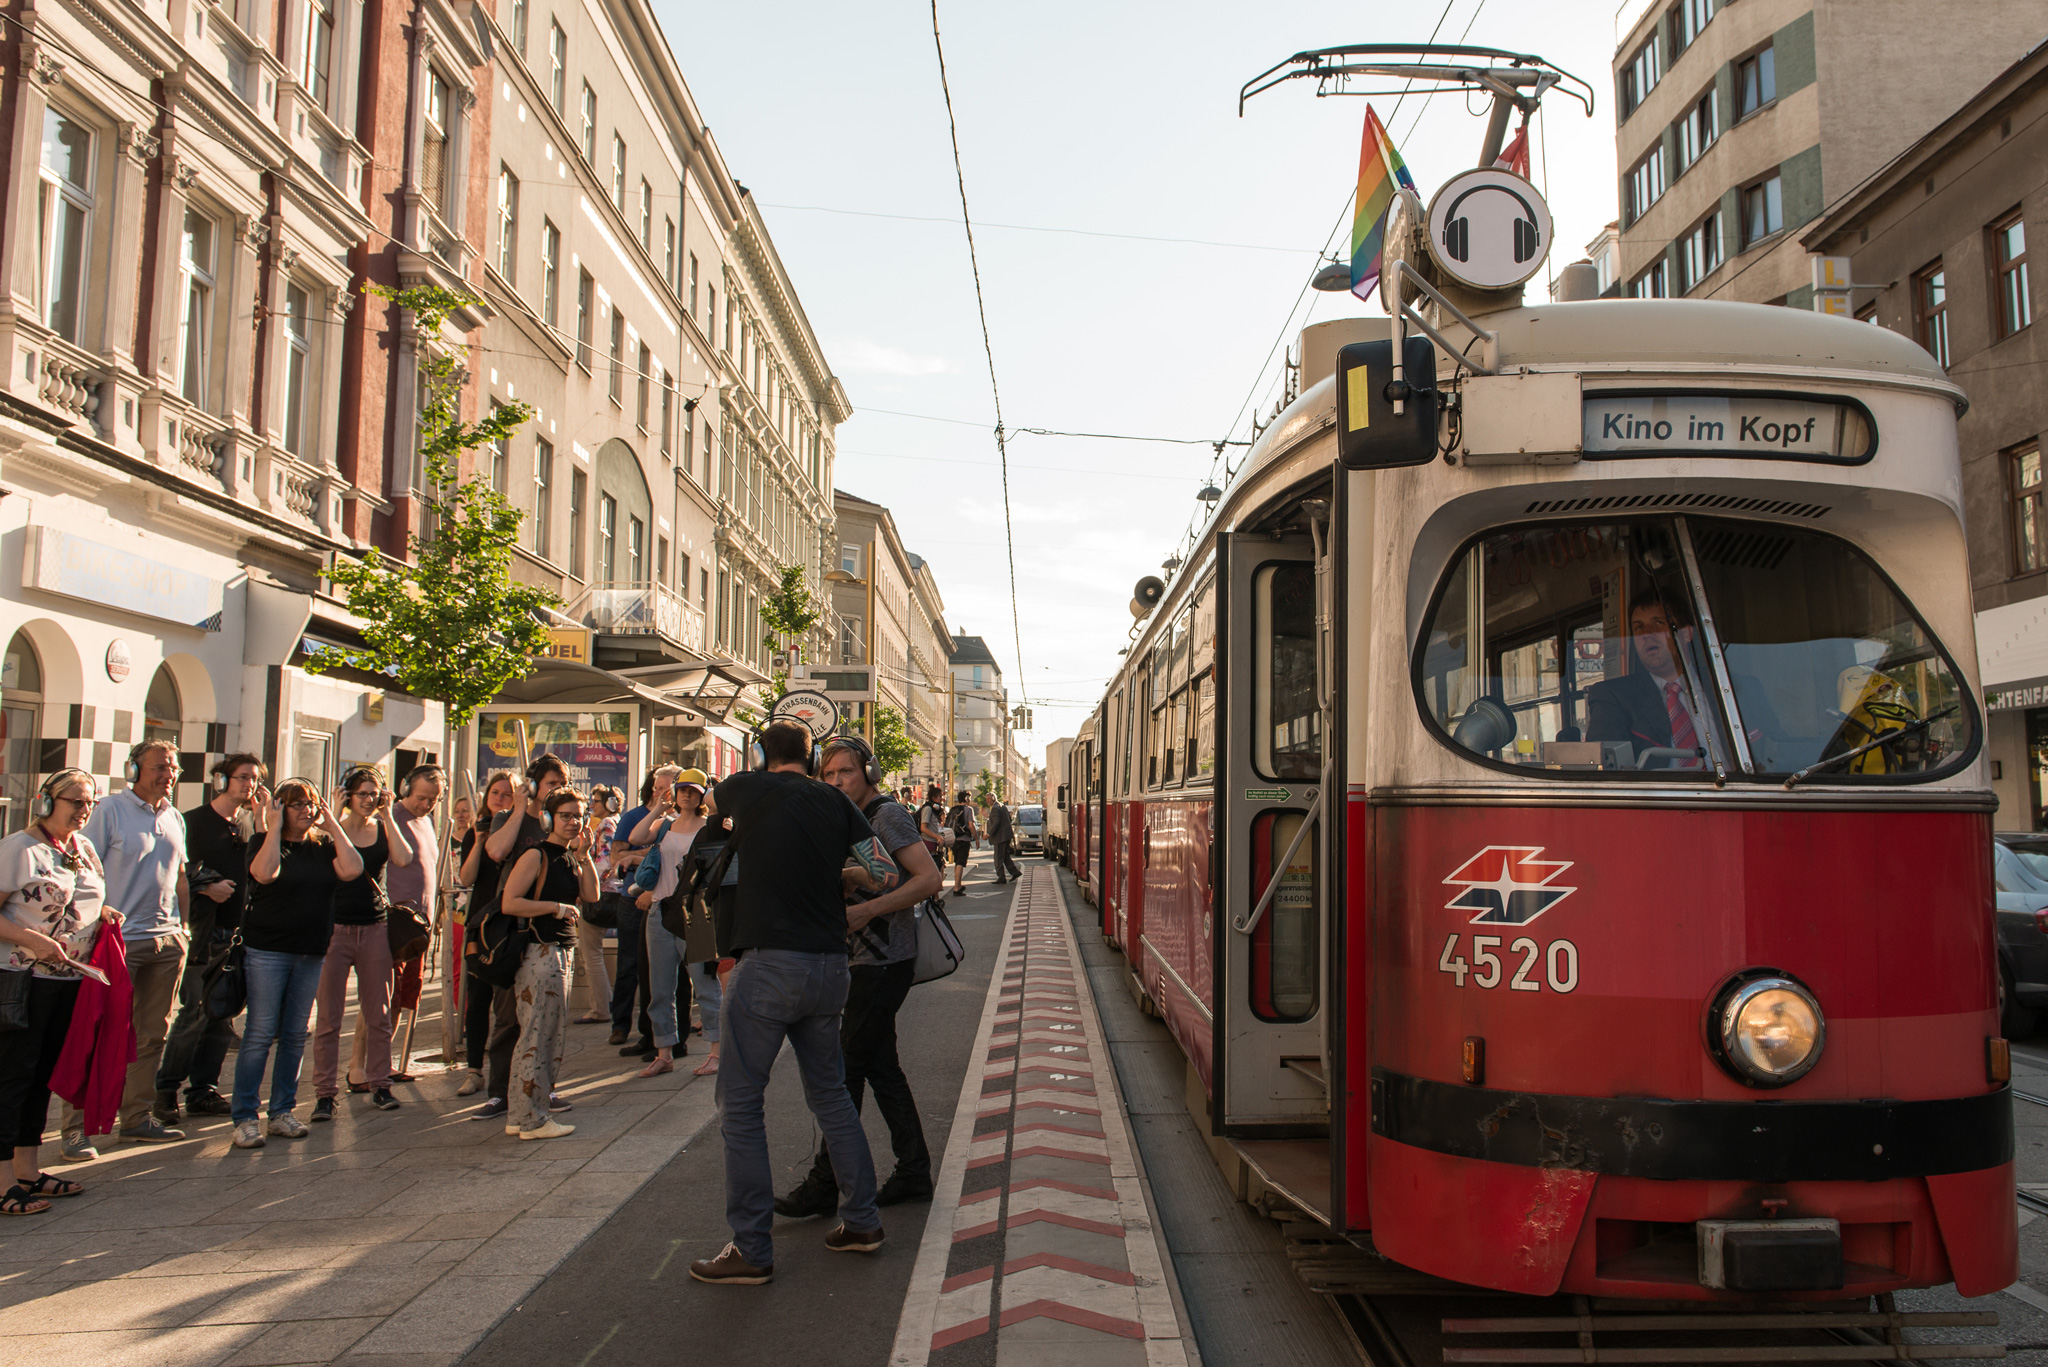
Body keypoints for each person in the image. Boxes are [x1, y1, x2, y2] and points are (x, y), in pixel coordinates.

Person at [688, 722, 900, 1286]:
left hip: (768, 967)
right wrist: (835, 873)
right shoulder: (836, 801)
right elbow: (884, 873)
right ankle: (861, 1221)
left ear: (764, 755)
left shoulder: (742, 787)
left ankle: (752, 1249)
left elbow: (716, 817)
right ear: (811, 760)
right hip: (830, 967)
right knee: (832, 1096)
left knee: (740, 1104)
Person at [777, 735, 942, 1219]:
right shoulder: (839, 815)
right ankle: (913, 1171)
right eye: (827, 775)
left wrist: (866, 907)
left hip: (884, 962)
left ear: (868, 773)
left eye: (844, 773)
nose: (835, 782)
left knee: (845, 1070)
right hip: (858, 962)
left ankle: (827, 1183)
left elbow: (927, 879)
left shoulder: (885, 815)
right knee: (881, 1068)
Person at [0, 770, 123, 1213]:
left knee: (39, 1077)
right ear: (47, 800)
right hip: (20, 979)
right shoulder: (19, 848)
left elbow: (78, 897)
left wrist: (104, 912)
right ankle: (1, 1181)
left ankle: (27, 1171)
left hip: (69, 979)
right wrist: (32, 939)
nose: (83, 809)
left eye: (89, 802)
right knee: (12, 1076)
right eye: (75, 801)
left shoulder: (82, 847)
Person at [60, 739, 189, 1160]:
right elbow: (78, 867)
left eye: (172, 767)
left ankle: (136, 1118)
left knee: (153, 1034)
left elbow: (180, 876)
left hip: (167, 939)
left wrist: (183, 928)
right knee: (96, 1033)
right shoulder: (108, 811)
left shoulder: (174, 816)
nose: (166, 774)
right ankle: (74, 1130)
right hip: (115, 942)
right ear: (133, 770)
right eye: (158, 767)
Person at [235, 779, 364, 1148]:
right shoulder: (263, 843)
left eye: (310, 803)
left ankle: (281, 1112)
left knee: (294, 1035)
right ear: (279, 808)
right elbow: (265, 874)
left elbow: (353, 869)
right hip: (268, 951)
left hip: (311, 951)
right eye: (296, 805)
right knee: (259, 1034)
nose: (306, 811)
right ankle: (245, 1117)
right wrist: (273, 827)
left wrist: (333, 824)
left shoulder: (323, 846)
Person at [156, 753, 266, 1121]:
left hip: (237, 935)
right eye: (242, 777)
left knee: (223, 1015)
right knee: (194, 1013)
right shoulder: (194, 822)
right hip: (204, 934)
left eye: (254, 778)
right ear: (221, 780)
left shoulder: (249, 824)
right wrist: (206, 885)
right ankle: (166, 1089)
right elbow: (176, 868)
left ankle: (203, 1090)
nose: (248, 785)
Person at [475, 756, 574, 1123]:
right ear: (534, 787)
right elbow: (496, 851)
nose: (557, 791)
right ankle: (501, 1092)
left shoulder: (563, 825)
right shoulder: (511, 817)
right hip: (510, 933)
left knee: (545, 1022)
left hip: (547, 936)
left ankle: (541, 1088)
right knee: (508, 1018)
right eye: (550, 784)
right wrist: (519, 808)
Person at [494, 787, 596, 1139]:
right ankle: (532, 1119)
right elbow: (510, 902)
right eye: (565, 815)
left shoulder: (569, 856)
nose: (573, 822)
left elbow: (592, 895)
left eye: (578, 815)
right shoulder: (536, 855)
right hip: (540, 952)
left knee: (545, 1035)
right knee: (539, 1036)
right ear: (549, 818)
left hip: (560, 951)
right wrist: (555, 907)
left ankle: (519, 1114)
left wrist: (585, 856)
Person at [309, 770, 411, 1120]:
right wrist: (333, 816)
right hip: (335, 930)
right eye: (362, 793)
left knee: (379, 1013)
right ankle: (324, 1094)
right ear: (348, 796)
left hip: (375, 928)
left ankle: (380, 1084)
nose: (369, 799)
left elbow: (403, 858)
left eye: (374, 793)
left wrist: (387, 814)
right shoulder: (328, 832)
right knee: (328, 1019)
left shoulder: (382, 827)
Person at [352, 764, 441, 1089]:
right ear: (405, 788)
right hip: (392, 922)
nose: (426, 804)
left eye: (433, 799)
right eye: (421, 797)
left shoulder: (427, 821)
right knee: (379, 998)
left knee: (403, 996)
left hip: (420, 924)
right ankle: (357, 1067)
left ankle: (383, 1061)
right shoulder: (390, 816)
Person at [630, 770, 709, 1077]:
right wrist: (657, 809)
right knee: (660, 987)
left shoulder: (708, 827)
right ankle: (664, 1051)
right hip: (661, 911)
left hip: (695, 914)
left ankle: (715, 1050)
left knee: (704, 986)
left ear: (702, 794)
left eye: (693, 790)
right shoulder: (664, 825)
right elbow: (635, 838)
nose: (687, 795)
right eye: (682, 790)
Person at [1586, 592, 1712, 767]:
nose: (1645, 634)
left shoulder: (1731, 688)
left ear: (1686, 634)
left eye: (1658, 624)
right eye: (1638, 628)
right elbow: (1603, 770)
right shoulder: (1612, 696)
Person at [609, 766, 679, 1055]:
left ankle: (652, 1034)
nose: (660, 792)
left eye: (667, 787)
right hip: (630, 898)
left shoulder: (678, 822)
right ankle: (620, 1025)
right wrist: (648, 855)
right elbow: (617, 856)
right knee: (629, 965)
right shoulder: (634, 817)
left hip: (663, 900)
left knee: (661, 973)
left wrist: (636, 858)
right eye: (657, 786)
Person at [454, 770, 515, 1096]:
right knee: (477, 1000)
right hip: (481, 922)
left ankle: (506, 1070)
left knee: (506, 1004)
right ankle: (474, 1069)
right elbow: (466, 878)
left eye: (507, 794)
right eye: (496, 793)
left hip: (509, 923)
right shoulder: (475, 832)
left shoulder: (521, 831)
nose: (500, 799)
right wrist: (478, 840)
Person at [573, 784, 620, 1024]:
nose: (593, 806)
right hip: (610, 895)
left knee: (590, 953)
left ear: (610, 803)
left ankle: (600, 1007)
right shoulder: (613, 822)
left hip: (601, 897)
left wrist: (586, 887)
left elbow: (604, 862)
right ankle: (604, 1004)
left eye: (597, 802)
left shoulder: (607, 824)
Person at [942, 791, 979, 896]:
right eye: (969, 798)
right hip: (964, 839)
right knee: (960, 863)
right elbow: (971, 825)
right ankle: (957, 887)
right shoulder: (968, 810)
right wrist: (976, 838)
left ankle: (957, 885)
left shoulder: (953, 809)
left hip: (954, 839)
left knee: (957, 862)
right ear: (967, 798)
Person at [986, 794, 1020, 884]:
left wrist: (989, 833)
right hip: (1006, 835)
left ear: (993, 799)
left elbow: (996, 822)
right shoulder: (1002, 806)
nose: (987, 801)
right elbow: (1008, 819)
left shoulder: (995, 808)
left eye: (989, 799)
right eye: (986, 799)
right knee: (1005, 856)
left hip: (1000, 837)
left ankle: (1001, 877)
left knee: (998, 857)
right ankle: (1015, 872)